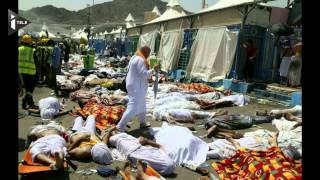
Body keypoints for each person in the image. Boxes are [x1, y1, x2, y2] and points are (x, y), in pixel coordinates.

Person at [102, 126, 175, 175]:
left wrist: (155, 144)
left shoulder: (162, 157)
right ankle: (111, 132)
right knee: (120, 138)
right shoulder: (156, 167)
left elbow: (148, 143)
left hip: (132, 149)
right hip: (134, 148)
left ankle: (109, 132)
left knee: (117, 139)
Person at [116, 46, 158, 132]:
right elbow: (144, 74)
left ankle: (142, 122)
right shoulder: (141, 60)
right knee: (133, 107)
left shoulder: (134, 58)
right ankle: (120, 126)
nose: (149, 55)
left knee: (142, 104)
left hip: (134, 85)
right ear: (145, 52)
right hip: (136, 86)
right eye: (148, 53)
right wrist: (153, 70)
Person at [19, 35, 38, 109]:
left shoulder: (19, 49)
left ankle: (30, 103)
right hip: (31, 73)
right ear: (30, 42)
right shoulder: (32, 50)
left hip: (21, 73)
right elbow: (37, 62)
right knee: (30, 89)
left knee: (27, 89)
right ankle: (25, 101)